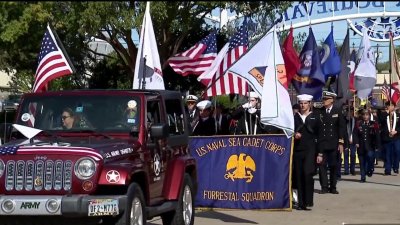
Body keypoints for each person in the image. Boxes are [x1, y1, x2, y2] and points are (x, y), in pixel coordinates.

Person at [316, 91, 346, 194]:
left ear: (332, 100)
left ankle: (333, 186)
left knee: (334, 166)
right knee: (322, 167)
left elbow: (342, 128)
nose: (324, 101)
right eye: (323, 99)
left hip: (334, 144)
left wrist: (341, 143)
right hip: (322, 144)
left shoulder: (337, 112)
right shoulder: (319, 112)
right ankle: (324, 187)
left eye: (326, 99)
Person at [293, 94, 319, 210]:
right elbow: (289, 131)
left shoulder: (315, 117)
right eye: (301, 103)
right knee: (298, 176)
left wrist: (320, 153)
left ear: (310, 104)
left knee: (307, 174)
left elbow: (320, 136)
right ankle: (301, 203)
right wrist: (294, 134)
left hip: (310, 150)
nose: (303, 105)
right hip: (298, 150)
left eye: (305, 103)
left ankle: (308, 201)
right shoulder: (295, 117)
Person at [352, 109, 380, 182]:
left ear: (369, 115)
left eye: (366, 115)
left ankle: (370, 169)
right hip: (361, 146)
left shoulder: (374, 124)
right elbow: (355, 134)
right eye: (363, 115)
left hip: (370, 146)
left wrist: (377, 145)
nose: (365, 116)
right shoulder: (358, 123)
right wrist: (356, 142)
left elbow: (377, 135)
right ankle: (363, 177)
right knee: (362, 162)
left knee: (370, 157)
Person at [378, 101, 400, 175]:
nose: (389, 107)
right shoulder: (383, 115)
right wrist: (386, 113)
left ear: (394, 106)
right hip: (387, 138)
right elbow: (379, 122)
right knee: (388, 154)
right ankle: (388, 169)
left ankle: (396, 167)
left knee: (397, 151)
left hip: (396, 137)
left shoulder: (398, 115)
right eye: (387, 106)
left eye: (390, 105)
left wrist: (396, 131)